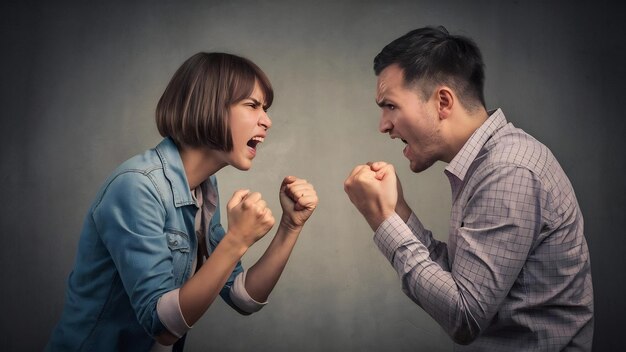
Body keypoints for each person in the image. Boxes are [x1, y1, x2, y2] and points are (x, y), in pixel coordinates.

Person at [46, 52, 318, 351]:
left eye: (265, 108)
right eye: (252, 105)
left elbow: (243, 298)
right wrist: (237, 239)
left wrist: (290, 226)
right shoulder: (137, 186)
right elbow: (161, 326)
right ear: (209, 107)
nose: (267, 120)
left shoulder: (202, 188)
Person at [344, 26, 593, 351]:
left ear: (443, 102)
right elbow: (463, 280)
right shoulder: (484, 163)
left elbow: (465, 316)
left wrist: (381, 220)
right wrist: (397, 211)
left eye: (390, 106)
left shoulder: (507, 171)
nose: (383, 125)